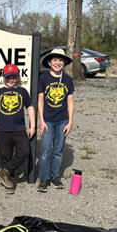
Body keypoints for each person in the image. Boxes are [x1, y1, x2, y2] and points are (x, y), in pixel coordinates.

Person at [0, 63, 35, 194]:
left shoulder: (23, 91)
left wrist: (32, 126)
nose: (11, 80)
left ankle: (5, 171)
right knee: (5, 156)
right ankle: (9, 183)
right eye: (8, 77)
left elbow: (30, 108)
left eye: (14, 77)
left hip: (19, 128)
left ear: (18, 77)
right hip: (2, 129)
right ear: (4, 78)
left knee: (25, 151)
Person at [37, 48, 75, 192]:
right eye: (54, 60)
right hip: (47, 120)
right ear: (49, 62)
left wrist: (70, 122)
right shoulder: (44, 78)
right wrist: (41, 120)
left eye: (60, 60)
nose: (57, 63)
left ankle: (55, 176)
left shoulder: (67, 79)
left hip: (62, 120)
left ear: (64, 62)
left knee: (58, 150)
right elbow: (40, 100)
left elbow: (70, 102)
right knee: (46, 150)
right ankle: (44, 178)